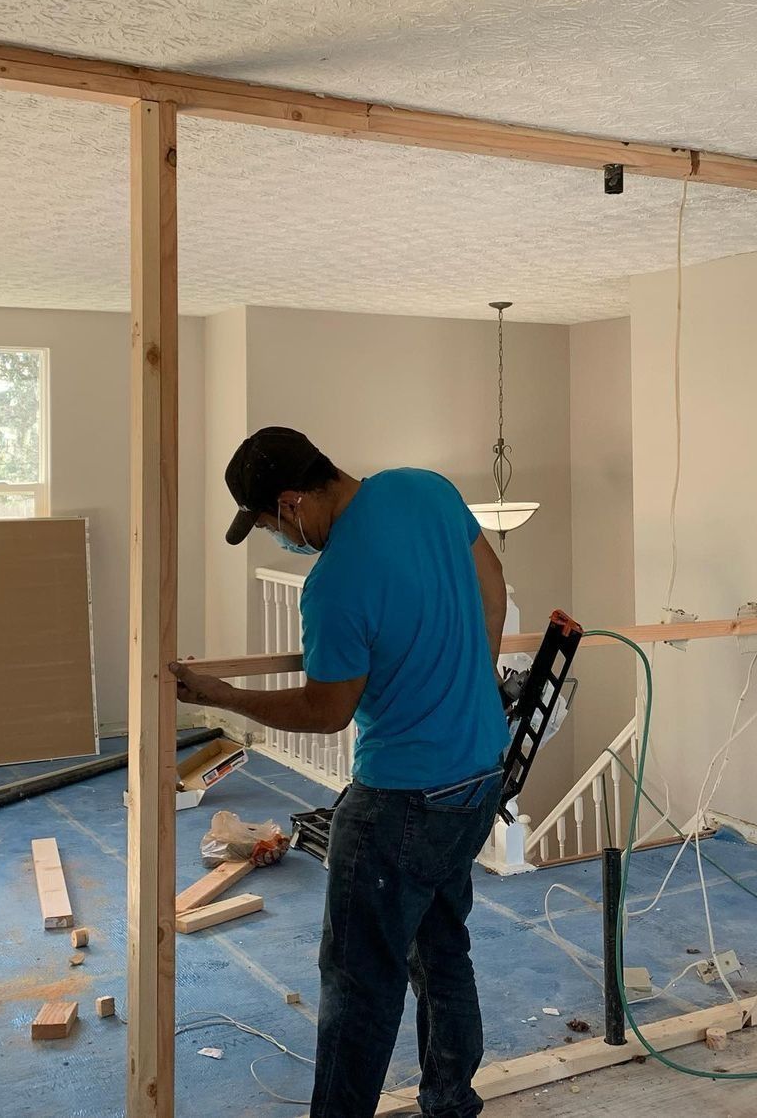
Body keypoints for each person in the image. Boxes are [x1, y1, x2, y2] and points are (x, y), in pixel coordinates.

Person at [169, 426, 510, 1118]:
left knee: (360, 982)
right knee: (443, 950)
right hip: (477, 774)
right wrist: (471, 677)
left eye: (271, 525)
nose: (280, 538)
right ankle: (450, 1102)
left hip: (402, 801)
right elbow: (493, 581)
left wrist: (224, 696)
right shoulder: (425, 488)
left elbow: (327, 710)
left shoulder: (333, 585)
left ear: (292, 502)